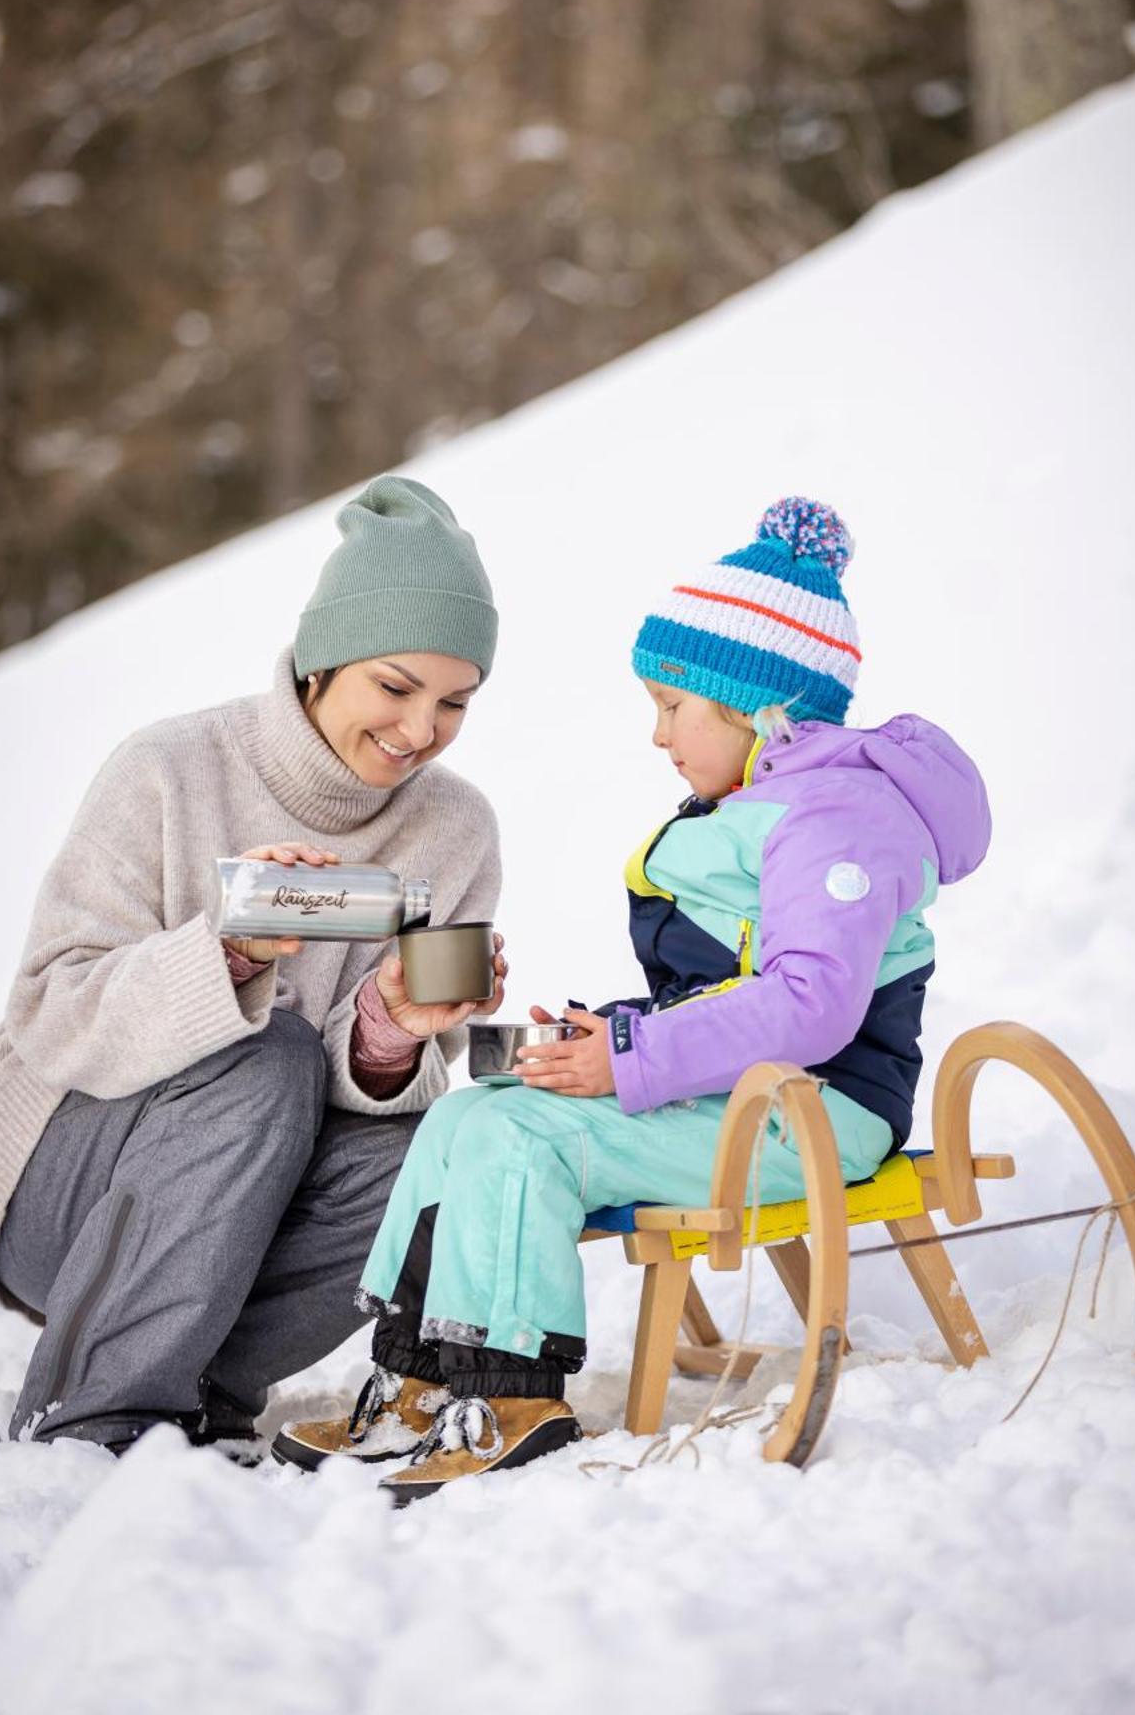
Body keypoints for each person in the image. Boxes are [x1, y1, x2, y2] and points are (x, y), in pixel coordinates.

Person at [273, 495, 992, 1499]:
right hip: (742, 1095)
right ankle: (419, 1375)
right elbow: (728, 988)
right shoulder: (758, 807)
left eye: (671, 706)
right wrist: (615, 1034)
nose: (656, 736)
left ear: (758, 707)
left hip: (814, 1111)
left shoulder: (837, 821)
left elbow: (809, 1007)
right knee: (472, 1110)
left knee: (527, 1139)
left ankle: (514, 1392)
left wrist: (631, 1061)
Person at [0, 476, 508, 1454]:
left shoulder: (455, 827)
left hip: (255, 1201)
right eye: (395, 687)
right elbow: (52, 1008)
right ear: (323, 661)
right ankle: (95, 1418)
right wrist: (226, 952)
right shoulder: (169, 768)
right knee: (266, 1049)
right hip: (55, 1181)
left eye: (455, 700)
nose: (421, 730)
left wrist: (390, 1029)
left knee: (426, 1149)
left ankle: (200, 1400)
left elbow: (385, 1085)